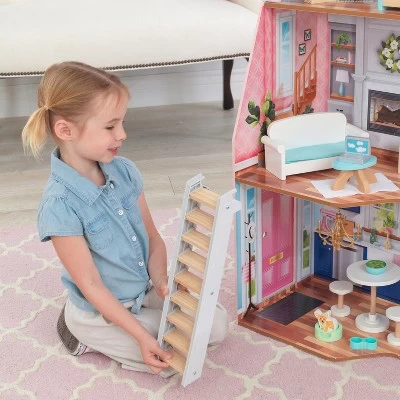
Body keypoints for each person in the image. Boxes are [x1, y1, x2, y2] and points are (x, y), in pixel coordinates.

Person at [21, 61, 228, 376]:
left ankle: (144, 325)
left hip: (142, 292)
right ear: (65, 130)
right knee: (170, 361)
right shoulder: (59, 205)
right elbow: (91, 285)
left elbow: (153, 237)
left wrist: (162, 282)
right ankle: (76, 331)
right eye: (110, 127)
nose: (122, 134)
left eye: (122, 123)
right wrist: (141, 337)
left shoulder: (125, 172)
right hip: (100, 312)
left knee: (216, 325)